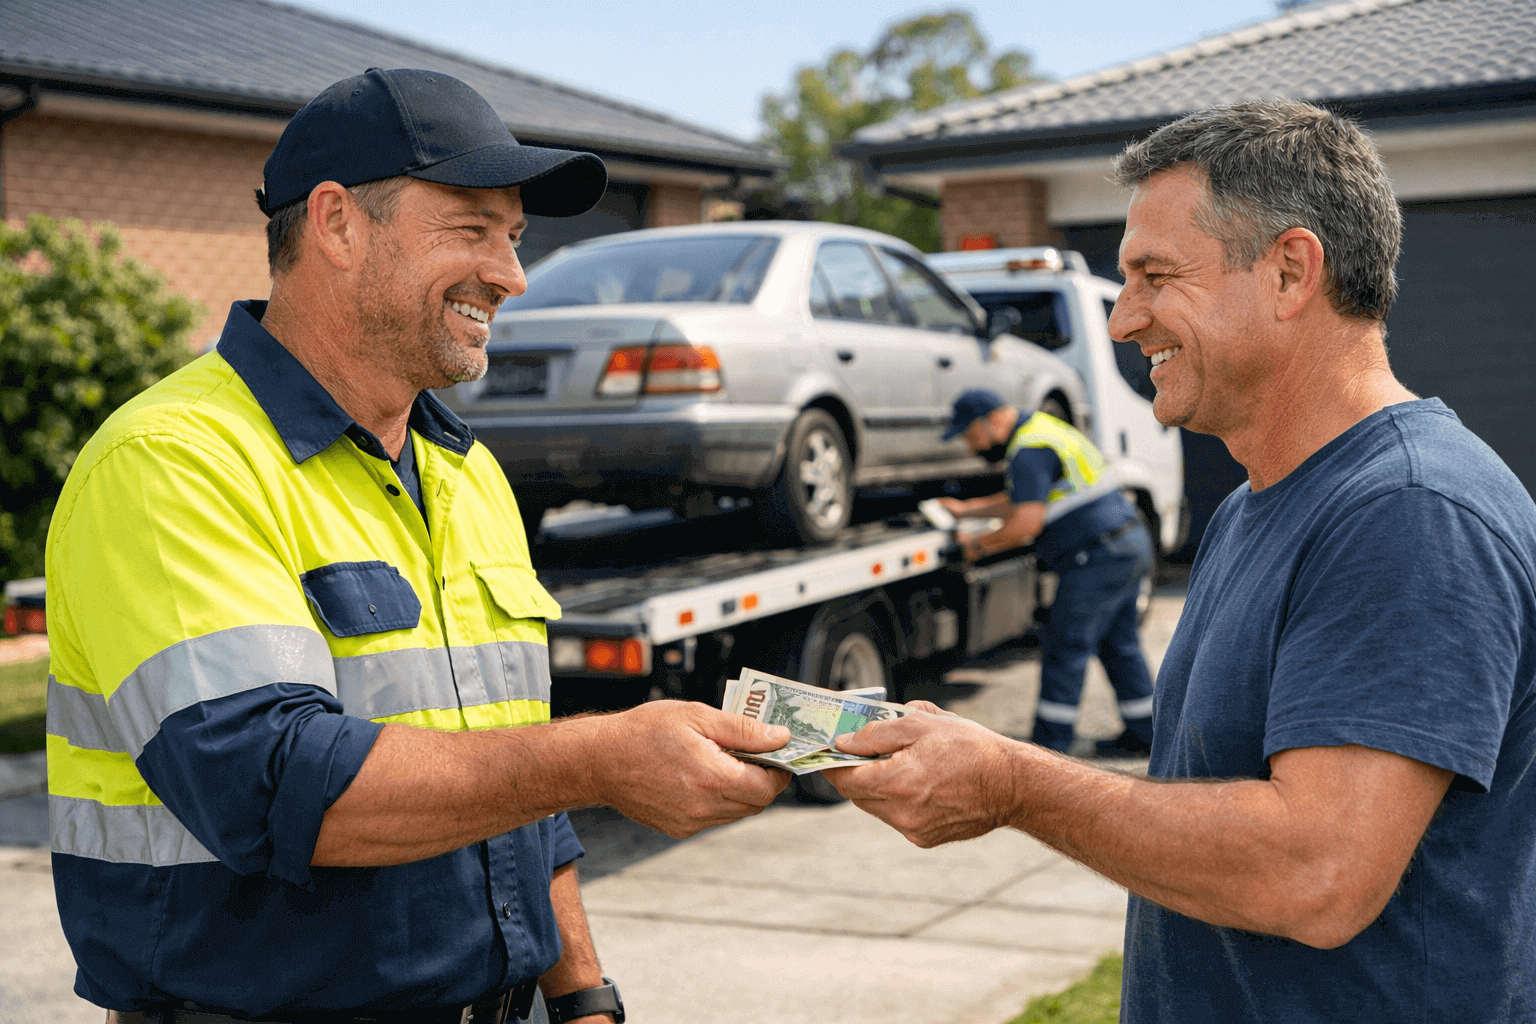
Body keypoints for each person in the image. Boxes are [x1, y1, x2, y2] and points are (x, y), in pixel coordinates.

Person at [44, 68, 792, 1024]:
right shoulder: (172, 462)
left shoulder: (466, 473)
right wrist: (603, 758)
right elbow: (268, 782)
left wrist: (583, 996)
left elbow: (514, 776)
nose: (512, 275)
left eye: (514, 237)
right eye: (473, 230)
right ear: (337, 223)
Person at [828, 99, 1536, 1021]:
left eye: (1155, 277)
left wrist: (1013, 783)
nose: (1124, 321)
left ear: (1290, 272)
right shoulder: (1251, 509)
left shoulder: (1410, 512)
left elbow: (1317, 872)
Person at [937, 390, 1155, 756]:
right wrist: (966, 509)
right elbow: (1027, 496)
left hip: (1096, 556)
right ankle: (1147, 734)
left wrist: (974, 548)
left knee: (1065, 647)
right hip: (1125, 543)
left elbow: (1026, 521)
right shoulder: (1043, 431)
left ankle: (1050, 746)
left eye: (971, 436)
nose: (971, 448)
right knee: (1119, 644)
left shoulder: (1029, 450)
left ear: (993, 421)